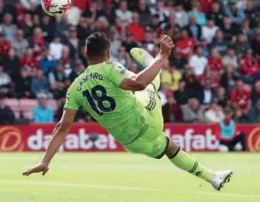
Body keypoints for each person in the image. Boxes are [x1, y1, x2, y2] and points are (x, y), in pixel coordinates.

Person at [23, 32, 232, 191]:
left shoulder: (74, 88)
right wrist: (162, 56)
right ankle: (152, 61)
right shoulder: (110, 67)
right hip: (147, 121)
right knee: (149, 86)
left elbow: (62, 128)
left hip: (131, 142)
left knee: (170, 147)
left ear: (86, 54)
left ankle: (213, 178)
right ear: (107, 53)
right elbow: (140, 83)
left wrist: (45, 161)